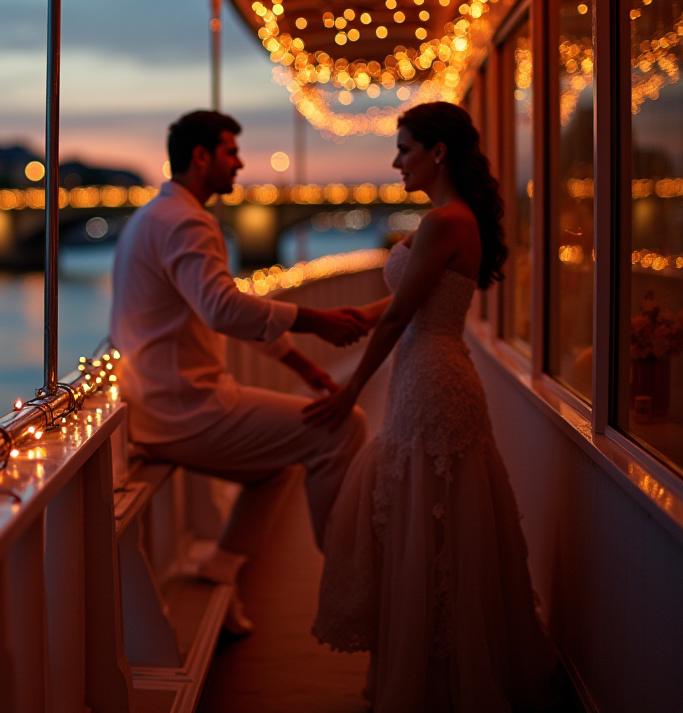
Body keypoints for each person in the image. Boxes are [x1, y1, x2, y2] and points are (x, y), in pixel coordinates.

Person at [305, 102, 560, 711]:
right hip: (433, 372)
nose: (396, 161)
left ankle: (435, 681)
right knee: (431, 517)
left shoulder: (443, 222)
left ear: (436, 151)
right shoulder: (449, 220)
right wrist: (330, 321)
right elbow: (400, 304)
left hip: (430, 378)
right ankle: (435, 668)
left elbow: (397, 317)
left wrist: (349, 390)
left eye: (404, 147)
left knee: (424, 519)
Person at [111, 110, 370, 633]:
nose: (240, 163)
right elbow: (223, 310)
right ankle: (345, 567)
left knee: (271, 468)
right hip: (186, 410)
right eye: (231, 152)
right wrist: (313, 321)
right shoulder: (187, 221)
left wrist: (298, 361)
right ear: (201, 156)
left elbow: (212, 312)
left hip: (158, 402)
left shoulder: (155, 216)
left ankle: (221, 568)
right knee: (343, 427)